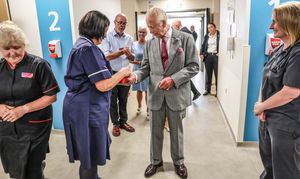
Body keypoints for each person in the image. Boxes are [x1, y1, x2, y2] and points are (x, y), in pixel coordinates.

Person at [127, 7, 199, 178]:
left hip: (177, 94)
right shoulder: (151, 43)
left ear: (164, 24)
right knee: (155, 131)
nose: (149, 31)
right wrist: (135, 77)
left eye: (152, 27)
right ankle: (155, 161)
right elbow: (145, 68)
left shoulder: (186, 39)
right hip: (156, 95)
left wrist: (174, 79)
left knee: (177, 131)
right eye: (148, 27)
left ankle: (179, 162)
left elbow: (194, 66)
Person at [63, 11, 131, 179]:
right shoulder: (88, 49)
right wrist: (122, 72)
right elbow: (104, 85)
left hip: (83, 105)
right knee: (90, 153)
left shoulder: (82, 45)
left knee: (89, 152)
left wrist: (118, 80)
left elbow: (93, 79)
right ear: (97, 29)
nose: (105, 34)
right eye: (105, 29)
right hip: (85, 109)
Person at [0, 21, 59, 179]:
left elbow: (51, 96)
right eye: (7, 49)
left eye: (17, 47)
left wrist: (23, 109)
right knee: (15, 169)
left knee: (32, 170)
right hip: (6, 129)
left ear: (24, 46)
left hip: (35, 127)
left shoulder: (39, 66)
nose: (12, 53)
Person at [254, 2, 300, 179]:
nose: (270, 26)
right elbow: (264, 78)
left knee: (285, 171)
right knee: (270, 165)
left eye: (275, 22)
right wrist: (261, 105)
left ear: (289, 22)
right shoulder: (279, 50)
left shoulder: (297, 53)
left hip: (286, 124)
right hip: (267, 118)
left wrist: (261, 106)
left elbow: (291, 91)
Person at [100, 13, 135, 137]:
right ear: (114, 22)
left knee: (124, 99)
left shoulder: (129, 38)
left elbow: (133, 57)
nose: (121, 25)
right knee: (112, 100)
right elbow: (106, 56)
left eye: (124, 23)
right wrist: (121, 52)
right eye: (119, 22)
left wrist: (129, 53)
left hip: (125, 73)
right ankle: (115, 124)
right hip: (112, 74)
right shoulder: (107, 37)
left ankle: (123, 122)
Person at [172, 20, 201, 101]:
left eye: (173, 27)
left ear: (177, 26)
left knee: (184, 77)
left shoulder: (183, 32)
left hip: (185, 59)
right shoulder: (185, 31)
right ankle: (195, 92)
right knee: (184, 77)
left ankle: (194, 93)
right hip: (185, 58)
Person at [130, 27, 149, 119]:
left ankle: (148, 110)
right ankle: (139, 106)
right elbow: (130, 59)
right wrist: (139, 62)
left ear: (146, 34)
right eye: (140, 32)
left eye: (143, 32)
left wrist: (144, 63)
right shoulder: (133, 44)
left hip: (147, 70)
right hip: (137, 69)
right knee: (139, 90)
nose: (141, 34)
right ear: (137, 33)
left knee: (147, 90)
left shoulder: (149, 44)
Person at [200, 23, 220, 96]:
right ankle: (207, 90)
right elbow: (203, 45)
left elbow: (223, 44)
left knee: (217, 74)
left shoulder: (219, 35)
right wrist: (201, 53)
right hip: (208, 56)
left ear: (215, 27)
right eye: (208, 28)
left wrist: (220, 52)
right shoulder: (207, 36)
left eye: (211, 27)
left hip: (216, 56)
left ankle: (218, 91)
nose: (210, 29)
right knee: (208, 74)